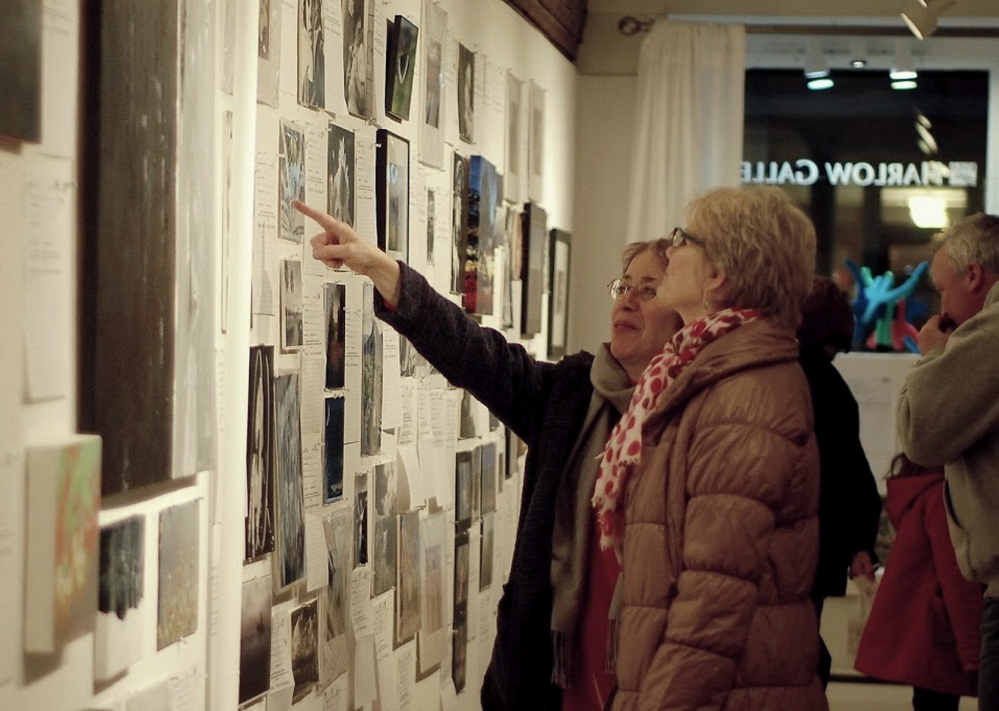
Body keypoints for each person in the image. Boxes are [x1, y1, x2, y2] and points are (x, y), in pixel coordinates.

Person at [294, 199, 682, 710]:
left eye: (648, 290)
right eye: (623, 285)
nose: (627, 301)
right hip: (545, 685)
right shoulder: (572, 396)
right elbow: (475, 353)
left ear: (687, 314)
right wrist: (380, 269)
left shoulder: (694, 419)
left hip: (653, 682)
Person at [591, 185, 827, 709]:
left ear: (717, 276)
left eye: (683, 239)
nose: (670, 250)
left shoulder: (744, 395)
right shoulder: (698, 374)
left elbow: (711, 602)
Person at [896, 212, 999, 711]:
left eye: (943, 289)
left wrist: (933, 355)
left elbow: (922, 434)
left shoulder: (991, 334)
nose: (943, 307)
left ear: (974, 275)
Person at [798, 275, 882, 688]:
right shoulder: (833, 388)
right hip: (820, 545)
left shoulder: (776, 378)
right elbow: (854, 473)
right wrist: (860, 543)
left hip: (788, 543)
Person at [855, 453, 983, 710]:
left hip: (926, 631)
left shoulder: (919, 492)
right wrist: (975, 652)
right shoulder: (943, 496)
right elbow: (957, 577)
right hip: (942, 634)